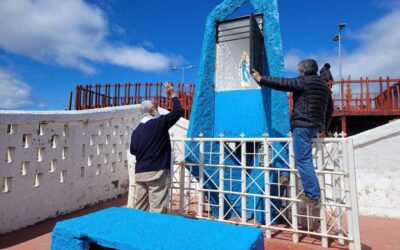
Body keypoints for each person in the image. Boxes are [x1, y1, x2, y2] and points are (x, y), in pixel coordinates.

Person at [252, 59, 333, 206]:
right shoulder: (324, 87)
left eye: (298, 71)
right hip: (314, 126)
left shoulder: (303, 81)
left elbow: (282, 83)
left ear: (302, 71)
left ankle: (313, 196)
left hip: (302, 125)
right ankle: (284, 173)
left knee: (303, 160)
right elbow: (330, 109)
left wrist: (260, 78)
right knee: (290, 147)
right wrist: (323, 128)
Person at [130, 83, 184, 213]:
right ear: (152, 111)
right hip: (157, 173)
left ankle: (137, 232)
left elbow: (133, 151)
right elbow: (178, 111)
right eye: (155, 108)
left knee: (140, 210)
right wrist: (173, 95)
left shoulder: (136, 131)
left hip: (140, 174)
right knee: (156, 211)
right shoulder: (159, 124)